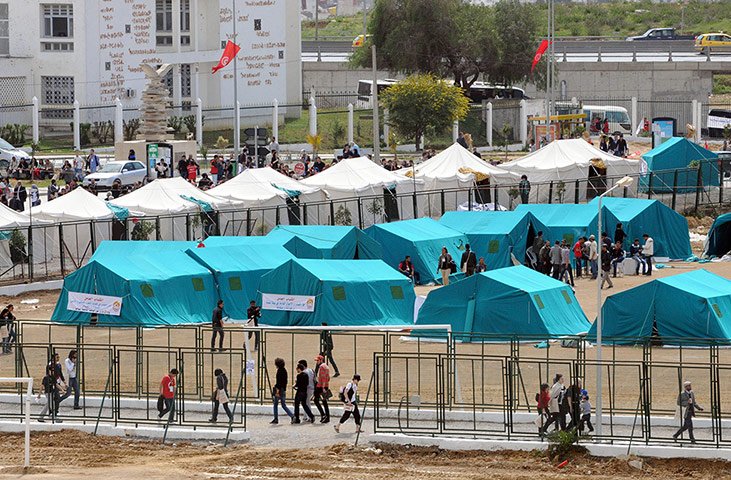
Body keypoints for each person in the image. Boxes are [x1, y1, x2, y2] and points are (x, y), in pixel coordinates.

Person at [38, 356, 65, 423]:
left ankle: (41, 417)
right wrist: (39, 394)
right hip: (48, 392)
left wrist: (62, 390)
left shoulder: (53, 377)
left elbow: (56, 384)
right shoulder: (46, 378)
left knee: (48, 405)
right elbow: (42, 386)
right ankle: (55, 418)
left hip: (52, 392)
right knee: (52, 405)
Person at [313, 355, 331, 423]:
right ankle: (326, 416)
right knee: (324, 402)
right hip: (325, 385)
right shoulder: (326, 366)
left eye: (318, 360)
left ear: (321, 360)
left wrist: (323, 387)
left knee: (316, 400)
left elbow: (323, 377)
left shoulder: (321, 367)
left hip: (321, 386)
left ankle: (323, 415)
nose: (317, 362)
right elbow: (328, 378)